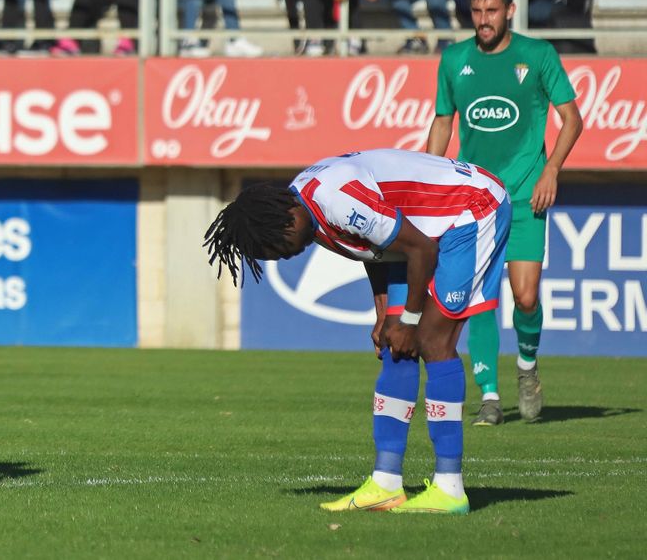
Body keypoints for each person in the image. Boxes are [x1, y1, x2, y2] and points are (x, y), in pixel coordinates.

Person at [204, 148, 511, 515]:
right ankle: (385, 484)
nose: (282, 255)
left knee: (431, 339)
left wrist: (409, 320)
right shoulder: (306, 210)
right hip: (421, 232)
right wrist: (384, 313)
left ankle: (450, 488)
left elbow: (420, 249)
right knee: (394, 350)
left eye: (277, 245)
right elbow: (375, 247)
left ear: (287, 217)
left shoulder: (336, 199)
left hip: (470, 210)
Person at [428, 0, 583, 427]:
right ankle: (490, 397)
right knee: (479, 299)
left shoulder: (537, 56)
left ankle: (528, 369)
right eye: (476, 12)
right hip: (475, 200)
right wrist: (425, 179)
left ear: (510, 10)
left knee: (526, 296)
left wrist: (551, 169)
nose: (483, 21)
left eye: (491, 11)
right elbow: (443, 123)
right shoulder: (455, 59)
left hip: (526, 194)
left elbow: (571, 120)